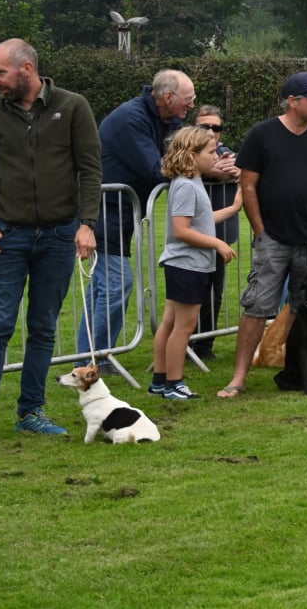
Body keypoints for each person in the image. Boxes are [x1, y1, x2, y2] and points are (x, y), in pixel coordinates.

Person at [0, 39, 101, 435]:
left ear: (27, 70)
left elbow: (90, 168)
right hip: (7, 234)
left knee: (44, 327)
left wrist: (87, 223)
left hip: (58, 234)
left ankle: (30, 413)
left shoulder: (72, 106)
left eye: (0, 72)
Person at [216, 73, 307, 399]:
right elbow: (248, 185)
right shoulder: (262, 135)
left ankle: (303, 372)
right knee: (257, 306)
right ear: (293, 100)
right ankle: (238, 378)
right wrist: (261, 231)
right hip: (273, 239)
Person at [77, 68, 194, 366]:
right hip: (103, 211)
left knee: (104, 287)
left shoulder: (167, 118)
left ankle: (89, 355)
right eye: (188, 99)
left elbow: (186, 148)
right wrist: (203, 168)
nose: (192, 105)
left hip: (121, 211)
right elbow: (157, 169)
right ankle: (94, 359)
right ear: (167, 97)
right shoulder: (132, 119)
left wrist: (215, 158)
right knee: (117, 283)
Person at [149, 126, 239, 401]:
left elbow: (202, 218)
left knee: (170, 322)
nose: (216, 155)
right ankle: (174, 383)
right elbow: (182, 230)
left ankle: (159, 381)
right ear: (191, 155)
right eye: (210, 151)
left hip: (186, 264)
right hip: (187, 265)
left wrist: (235, 208)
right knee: (184, 327)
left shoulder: (192, 181)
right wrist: (218, 244)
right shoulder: (186, 185)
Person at [187, 103, 243, 362]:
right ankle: (185, 342)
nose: (211, 131)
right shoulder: (183, 152)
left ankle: (204, 345)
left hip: (220, 233)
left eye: (216, 127)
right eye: (204, 126)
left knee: (214, 291)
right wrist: (215, 171)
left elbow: (241, 171)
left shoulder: (228, 154)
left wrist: (238, 172)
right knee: (190, 291)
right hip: (192, 234)